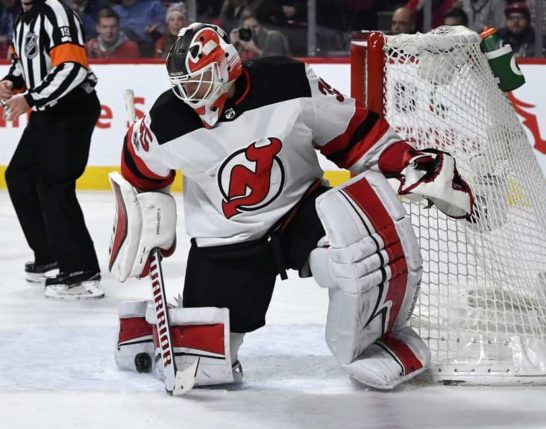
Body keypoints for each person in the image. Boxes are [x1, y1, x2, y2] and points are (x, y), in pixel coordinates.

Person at [110, 23, 474, 391]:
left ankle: (375, 343)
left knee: (356, 255)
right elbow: (137, 169)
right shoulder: (165, 120)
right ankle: (165, 325)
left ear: (227, 66)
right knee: (206, 369)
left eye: (199, 81)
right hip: (226, 238)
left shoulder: (288, 81)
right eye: (183, 84)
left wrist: (406, 162)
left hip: (302, 210)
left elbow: (354, 134)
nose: (190, 94)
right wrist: (149, 208)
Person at [0, 0, 103, 300]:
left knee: (54, 184)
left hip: (72, 109)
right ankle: (50, 255)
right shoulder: (22, 19)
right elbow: (23, 61)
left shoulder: (55, 10)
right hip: (48, 111)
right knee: (20, 175)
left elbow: (73, 69)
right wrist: (11, 82)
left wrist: (29, 99)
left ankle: (81, 271)